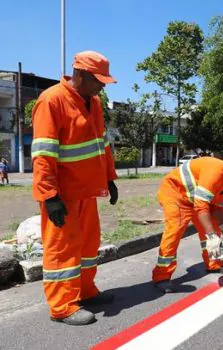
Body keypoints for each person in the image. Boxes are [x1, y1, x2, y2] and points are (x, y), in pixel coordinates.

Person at [31, 51, 118, 326]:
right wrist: (49, 196)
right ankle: (62, 305)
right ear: (79, 74)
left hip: (86, 191)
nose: (102, 86)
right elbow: (43, 153)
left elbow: (101, 144)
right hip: (62, 195)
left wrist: (109, 178)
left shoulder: (93, 102)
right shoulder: (52, 100)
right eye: (98, 80)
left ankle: (85, 291)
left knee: (88, 245)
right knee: (62, 249)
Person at [152, 157, 223, 293]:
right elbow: (202, 207)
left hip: (195, 200)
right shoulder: (216, 171)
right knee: (175, 231)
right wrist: (211, 235)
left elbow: (218, 207)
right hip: (176, 194)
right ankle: (161, 276)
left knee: (214, 227)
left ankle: (213, 264)